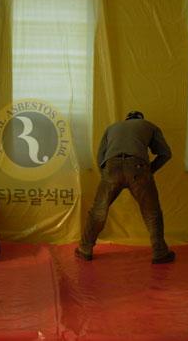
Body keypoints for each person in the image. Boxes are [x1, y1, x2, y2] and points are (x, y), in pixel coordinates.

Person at [75, 111, 175, 264]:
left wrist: (106, 175)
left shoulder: (112, 127)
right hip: (138, 167)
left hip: (111, 167)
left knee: (98, 211)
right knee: (152, 212)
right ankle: (160, 252)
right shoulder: (149, 126)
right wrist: (149, 171)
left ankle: (85, 248)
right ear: (141, 119)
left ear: (126, 119)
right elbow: (165, 153)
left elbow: (100, 156)